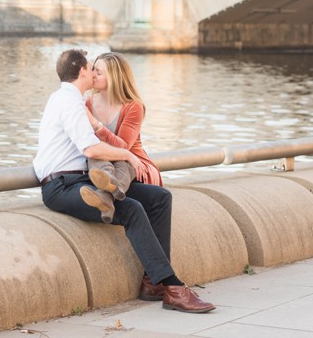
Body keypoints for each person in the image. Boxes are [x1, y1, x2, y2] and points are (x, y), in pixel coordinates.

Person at [33, 48, 214, 313]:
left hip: (84, 180)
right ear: (82, 71)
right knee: (131, 209)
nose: (93, 73)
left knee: (159, 198)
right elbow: (91, 149)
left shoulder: (68, 98)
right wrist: (127, 155)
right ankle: (173, 288)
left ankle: (153, 282)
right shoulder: (72, 102)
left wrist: (124, 155)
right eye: (91, 68)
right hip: (62, 186)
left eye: (99, 70)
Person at [86, 52, 162, 186]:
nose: (92, 75)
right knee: (95, 157)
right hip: (103, 161)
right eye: (93, 70)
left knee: (121, 164)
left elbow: (124, 147)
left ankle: (108, 193)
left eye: (98, 72)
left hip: (133, 163)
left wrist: (96, 125)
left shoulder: (133, 106)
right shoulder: (87, 103)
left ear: (113, 78)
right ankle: (107, 192)